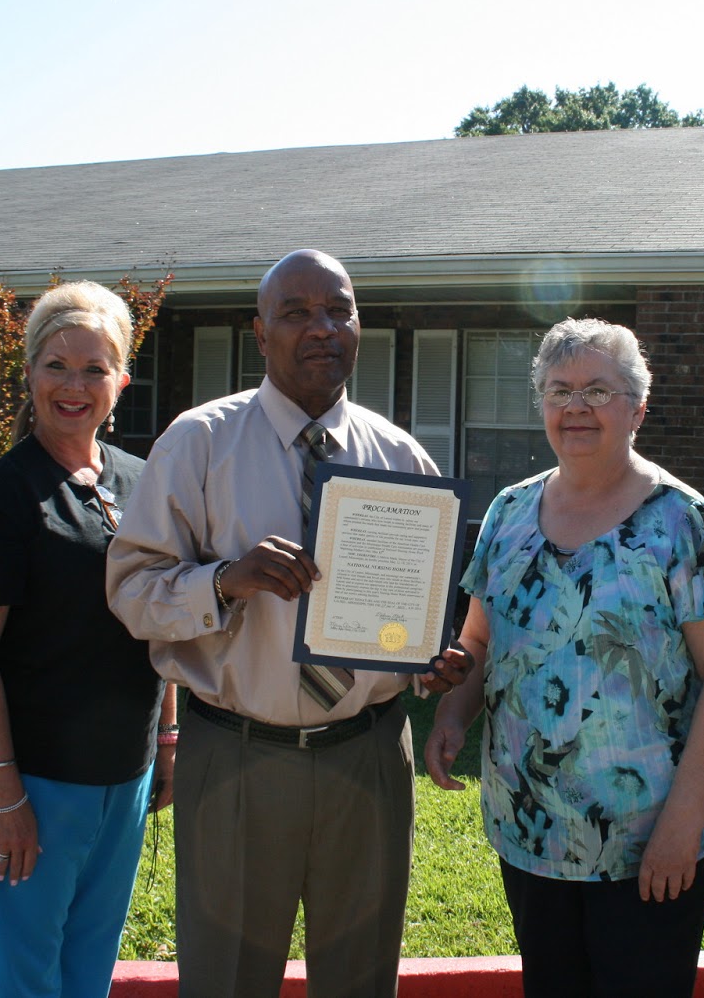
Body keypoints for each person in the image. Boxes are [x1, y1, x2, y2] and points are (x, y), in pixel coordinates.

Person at [106, 249, 470, 998]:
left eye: (338, 310)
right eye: (297, 312)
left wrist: (432, 660)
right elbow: (131, 591)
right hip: (235, 757)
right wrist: (225, 580)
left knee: (362, 978)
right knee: (228, 982)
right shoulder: (197, 443)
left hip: (367, 758)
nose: (321, 328)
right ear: (260, 332)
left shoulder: (401, 458)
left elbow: (416, 621)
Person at [424, 317, 704, 998]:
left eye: (598, 392)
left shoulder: (681, 521)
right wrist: (453, 713)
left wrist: (681, 824)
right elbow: (481, 638)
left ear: (638, 407)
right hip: (531, 825)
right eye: (559, 390)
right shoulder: (508, 513)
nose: (576, 407)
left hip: (646, 837)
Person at [0, 281, 172, 998]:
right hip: (31, 784)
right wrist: (3, 795)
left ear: (122, 382)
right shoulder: (2, 496)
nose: (74, 385)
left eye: (95, 369)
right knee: (21, 980)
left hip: (125, 777)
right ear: (29, 374)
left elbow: (160, 619)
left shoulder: (144, 482)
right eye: (56, 365)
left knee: (87, 974)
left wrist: (167, 742)